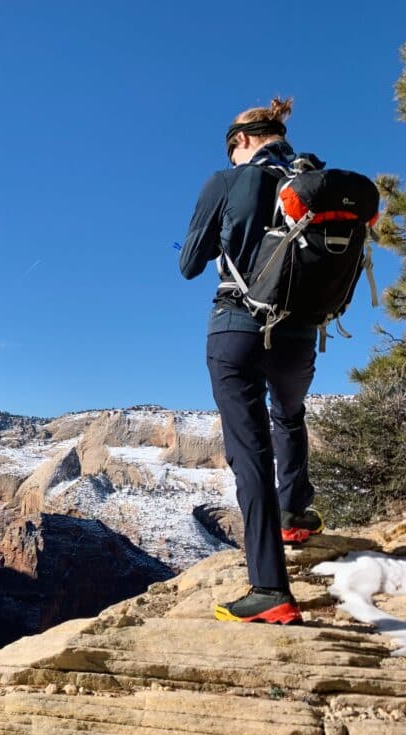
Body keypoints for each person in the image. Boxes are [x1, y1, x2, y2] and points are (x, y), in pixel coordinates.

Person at [178, 97, 325, 625]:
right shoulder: (313, 178)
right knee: (290, 414)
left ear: (240, 141)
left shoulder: (226, 179)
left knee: (249, 454)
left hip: (237, 329)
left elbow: (189, 264)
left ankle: (270, 589)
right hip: (302, 332)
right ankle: (296, 514)